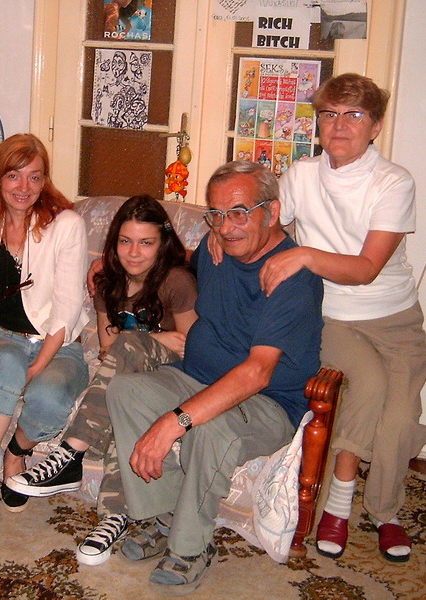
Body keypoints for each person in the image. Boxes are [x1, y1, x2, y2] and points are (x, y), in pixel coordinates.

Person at [107, 161, 323, 595]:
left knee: (209, 428)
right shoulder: (216, 248)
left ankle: (191, 548)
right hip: (196, 377)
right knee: (126, 391)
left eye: (239, 213)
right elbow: (173, 266)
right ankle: (163, 516)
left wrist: (175, 421)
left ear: (272, 212)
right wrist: (111, 267)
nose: (226, 227)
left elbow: (257, 373)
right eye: (217, 215)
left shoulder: (293, 277)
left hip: (267, 403)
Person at [261, 73, 426, 562]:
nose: (339, 125)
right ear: (318, 123)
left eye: (354, 115)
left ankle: (385, 511)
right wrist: (220, 231)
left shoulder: (393, 181)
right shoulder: (301, 175)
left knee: (400, 420)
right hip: (332, 315)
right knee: (369, 388)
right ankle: (338, 505)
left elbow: (365, 268)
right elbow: (265, 225)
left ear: (375, 126)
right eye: (329, 114)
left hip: (395, 318)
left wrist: (304, 255)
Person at [6, 195, 198, 565]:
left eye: (146, 242)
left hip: (172, 376)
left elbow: (190, 346)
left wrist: (147, 343)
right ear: (114, 242)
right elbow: (108, 347)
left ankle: (71, 453)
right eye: (125, 241)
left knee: (127, 362)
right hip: (129, 372)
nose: (134, 253)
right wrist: (156, 338)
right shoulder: (107, 281)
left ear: (163, 243)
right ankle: (114, 517)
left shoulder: (176, 281)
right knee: (120, 395)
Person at [0, 133, 89, 540]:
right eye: (14, 175)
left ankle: (17, 452)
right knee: (7, 364)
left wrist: (38, 367)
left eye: (35, 177)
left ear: (45, 181)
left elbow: (65, 312)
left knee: (49, 396)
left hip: (58, 344)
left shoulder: (66, 225)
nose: (24, 187)